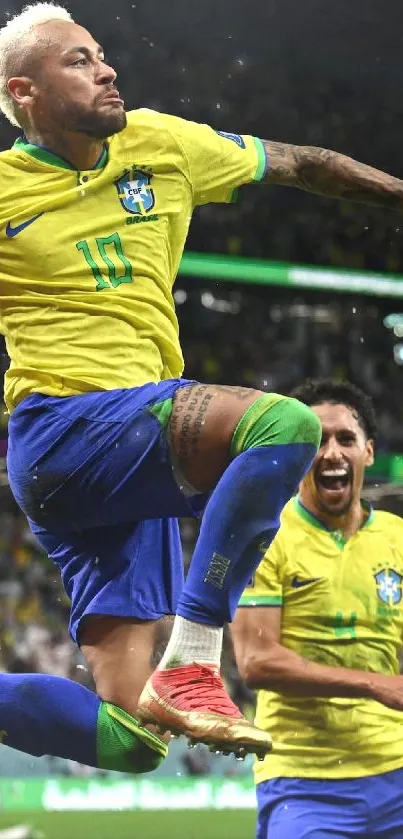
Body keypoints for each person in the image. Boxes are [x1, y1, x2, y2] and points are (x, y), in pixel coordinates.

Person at [0, 2, 401, 776]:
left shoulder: (164, 142)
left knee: (130, 737)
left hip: (135, 458)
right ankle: (195, 656)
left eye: (103, 53)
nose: (106, 68)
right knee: (283, 426)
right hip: (63, 430)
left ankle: (176, 674)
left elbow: (303, 163)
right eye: (77, 61)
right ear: (25, 95)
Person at [233, 379, 403, 839]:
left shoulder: (396, 537)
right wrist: (372, 684)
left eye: (346, 439)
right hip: (303, 782)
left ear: (368, 452)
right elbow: (256, 661)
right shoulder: (265, 533)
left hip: (396, 770)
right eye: (316, 440)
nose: (331, 453)